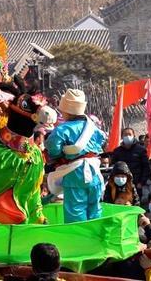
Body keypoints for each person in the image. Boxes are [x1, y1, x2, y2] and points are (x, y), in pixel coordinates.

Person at [45, 89, 106, 223]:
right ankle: (94, 239)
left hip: (74, 174)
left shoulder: (62, 129)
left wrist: (61, 154)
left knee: (75, 211)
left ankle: (79, 241)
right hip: (94, 172)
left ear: (66, 111)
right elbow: (101, 141)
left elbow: (53, 148)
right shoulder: (94, 128)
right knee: (94, 209)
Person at [111, 128, 150, 193]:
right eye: (125, 135)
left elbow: (146, 167)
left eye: (129, 134)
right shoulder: (117, 151)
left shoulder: (141, 150)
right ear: (122, 137)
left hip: (137, 184)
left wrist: (141, 182)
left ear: (134, 136)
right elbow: (113, 167)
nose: (127, 136)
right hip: (121, 184)